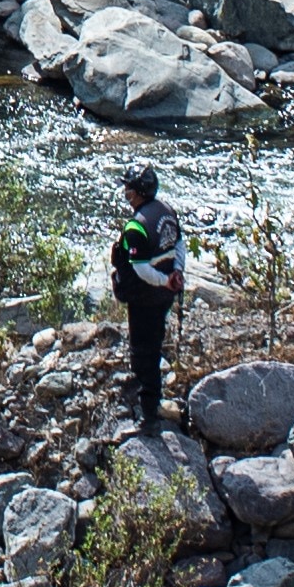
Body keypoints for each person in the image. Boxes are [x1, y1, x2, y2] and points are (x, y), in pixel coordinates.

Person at [109, 165, 189, 434]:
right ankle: (148, 396)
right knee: (153, 343)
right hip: (164, 294)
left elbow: (141, 269)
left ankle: (148, 416)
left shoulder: (136, 227)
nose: (125, 192)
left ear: (137, 193)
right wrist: (175, 273)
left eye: (128, 187)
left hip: (146, 297)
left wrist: (164, 280)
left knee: (144, 351)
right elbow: (180, 244)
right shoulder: (166, 210)